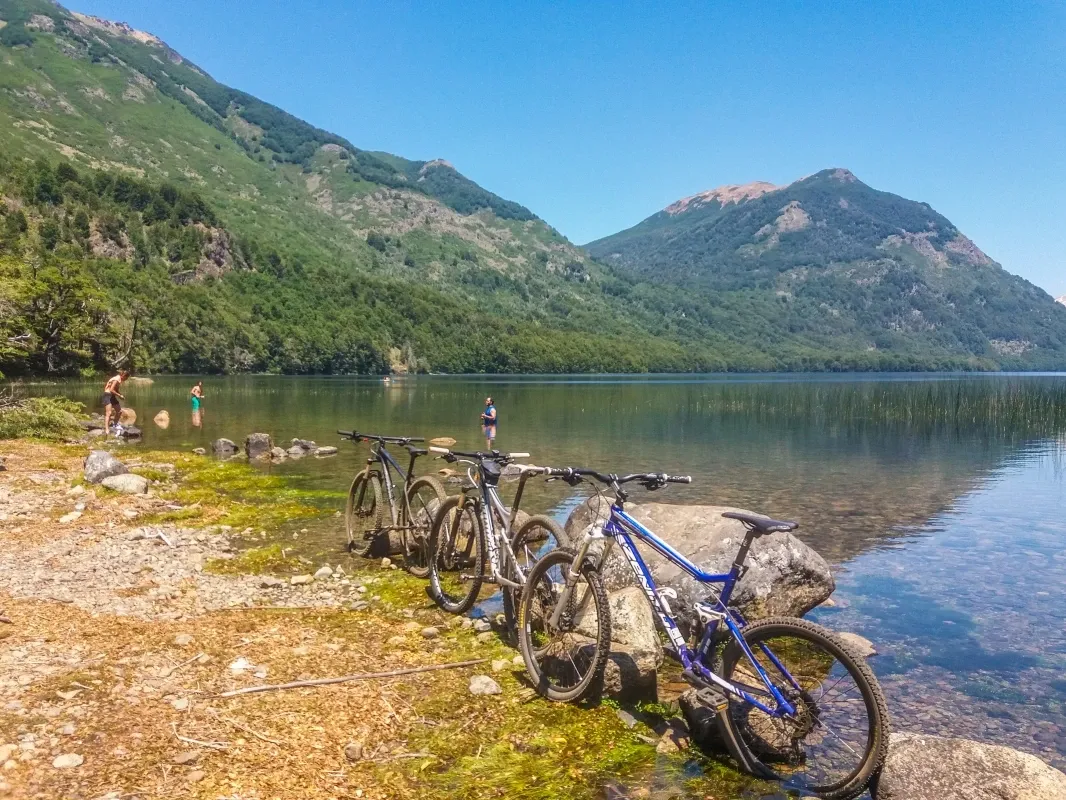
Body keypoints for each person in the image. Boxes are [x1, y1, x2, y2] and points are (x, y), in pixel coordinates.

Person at [102, 370, 129, 435]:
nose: (126, 379)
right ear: (123, 376)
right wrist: (119, 395)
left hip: (112, 396)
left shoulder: (119, 380)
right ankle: (107, 429)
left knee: (119, 411)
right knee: (109, 413)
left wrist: (120, 395)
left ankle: (115, 424)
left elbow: (115, 389)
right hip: (108, 395)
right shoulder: (116, 379)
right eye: (126, 378)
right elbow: (111, 390)